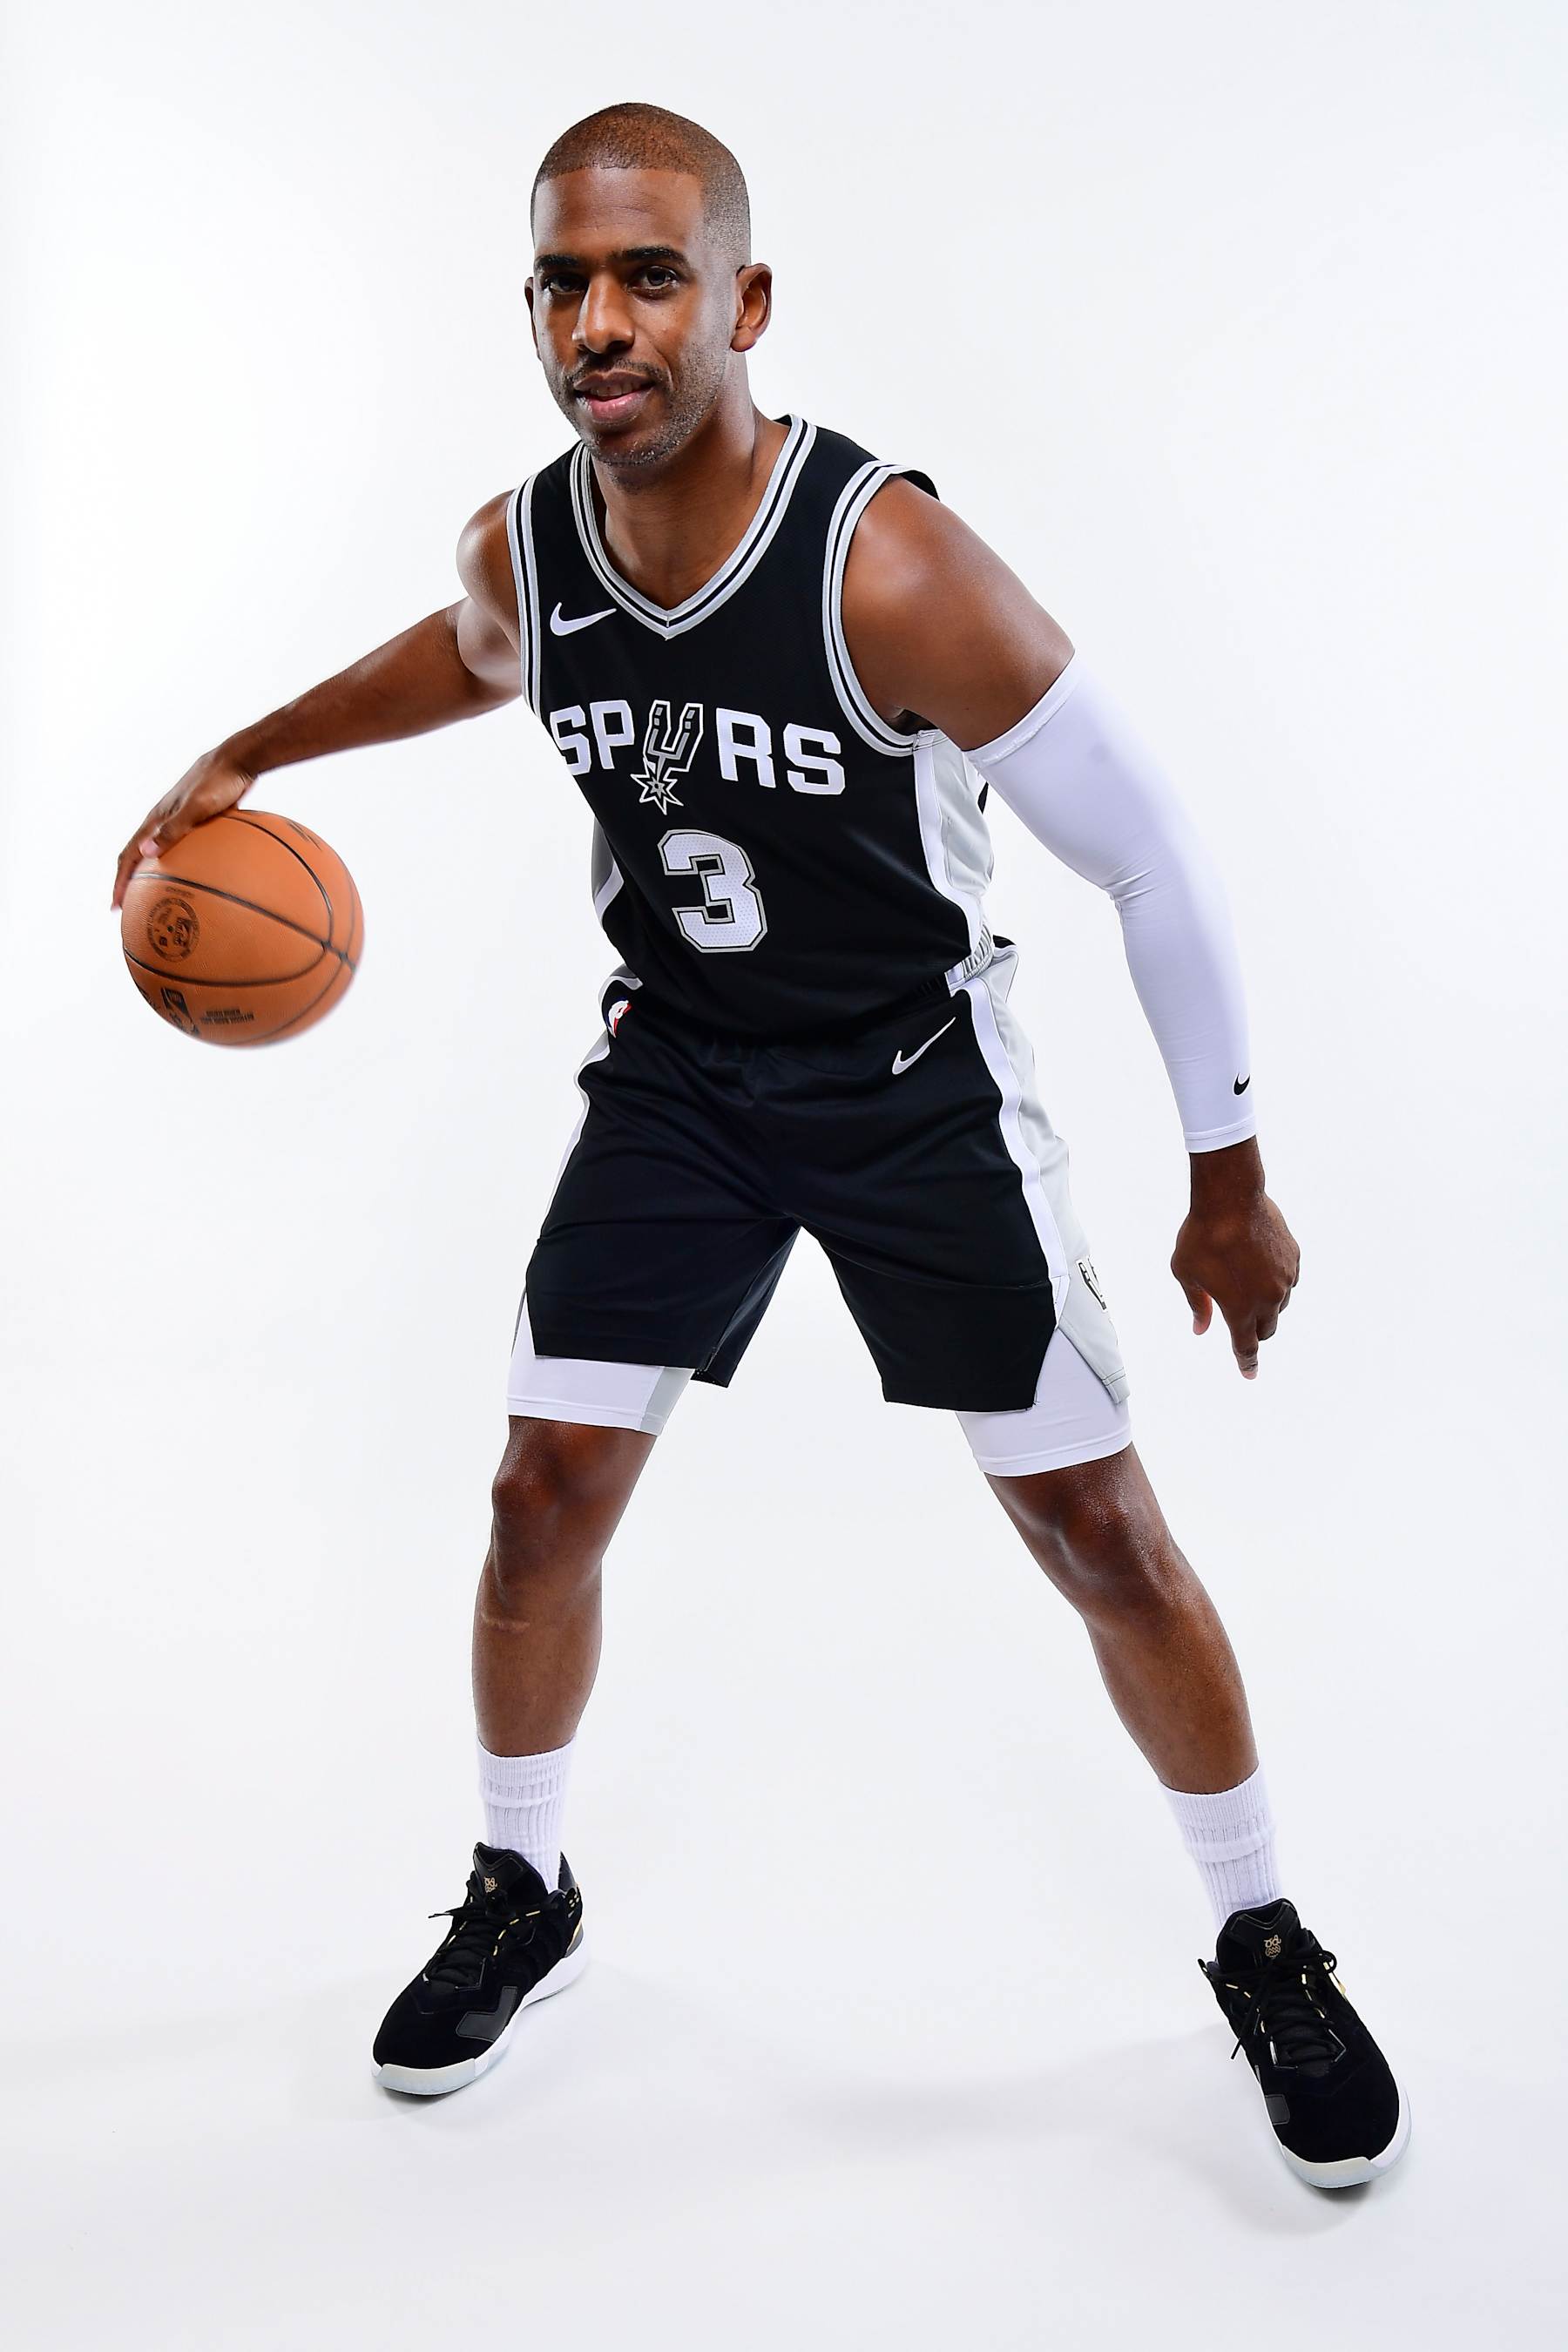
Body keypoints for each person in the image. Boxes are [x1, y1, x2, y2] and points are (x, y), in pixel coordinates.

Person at [111, 102, 1406, 2188]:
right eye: (562, 282)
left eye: (649, 275)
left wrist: (1228, 1172)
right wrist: (252, 749)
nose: (599, 322)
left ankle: (1263, 1932)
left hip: (914, 1089)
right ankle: (521, 1887)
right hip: (684, 1084)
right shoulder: (527, 548)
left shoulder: (887, 564)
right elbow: (472, 656)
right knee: (539, 1499)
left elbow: (1152, 856)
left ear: (744, 299)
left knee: (1097, 1533)